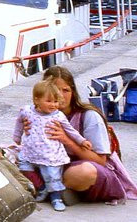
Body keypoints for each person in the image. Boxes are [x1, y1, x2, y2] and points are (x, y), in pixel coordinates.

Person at [34, 66, 137, 204]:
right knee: (10, 157)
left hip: (86, 168)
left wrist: (67, 140)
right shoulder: (37, 115)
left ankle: (51, 188)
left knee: (85, 172)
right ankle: (58, 190)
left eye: (66, 90)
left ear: (73, 92)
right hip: (51, 166)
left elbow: (100, 160)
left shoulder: (89, 116)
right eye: (55, 90)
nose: (60, 96)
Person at [13, 79, 91, 211]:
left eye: (56, 101)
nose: (54, 105)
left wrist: (81, 141)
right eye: (49, 101)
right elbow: (19, 122)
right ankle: (42, 188)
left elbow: (70, 130)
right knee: (24, 167)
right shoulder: (27, 111)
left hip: (50, 152)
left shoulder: (58, 116)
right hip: (30, 150)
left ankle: (56, 197)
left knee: (52, 175)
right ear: (37, 100)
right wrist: (17, 135)